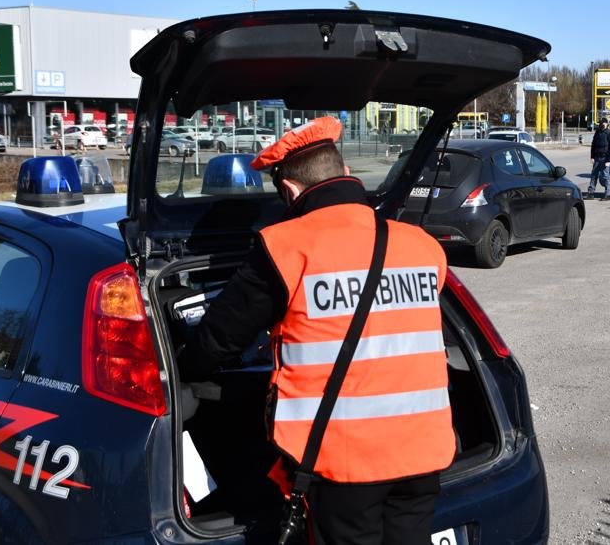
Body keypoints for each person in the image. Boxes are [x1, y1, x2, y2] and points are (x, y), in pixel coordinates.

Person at [178, 116, 455, 544]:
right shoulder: (422, 245)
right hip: (423, 450)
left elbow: (219, 339)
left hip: (344, 461)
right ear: (346, 172)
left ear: (290, 191)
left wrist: (179, 370)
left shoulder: (285, 246)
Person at [587, 118, 610, 200]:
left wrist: (609, 160)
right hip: (596, 158)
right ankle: (591, 193)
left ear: (607, 124)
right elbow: (593, 145)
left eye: (603, 123)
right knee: (593, 175)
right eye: (600, 123)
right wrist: (592, 157)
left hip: (605, 158)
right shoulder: (597, 132)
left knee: (605, 176)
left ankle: (608, 195)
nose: (601, 124)